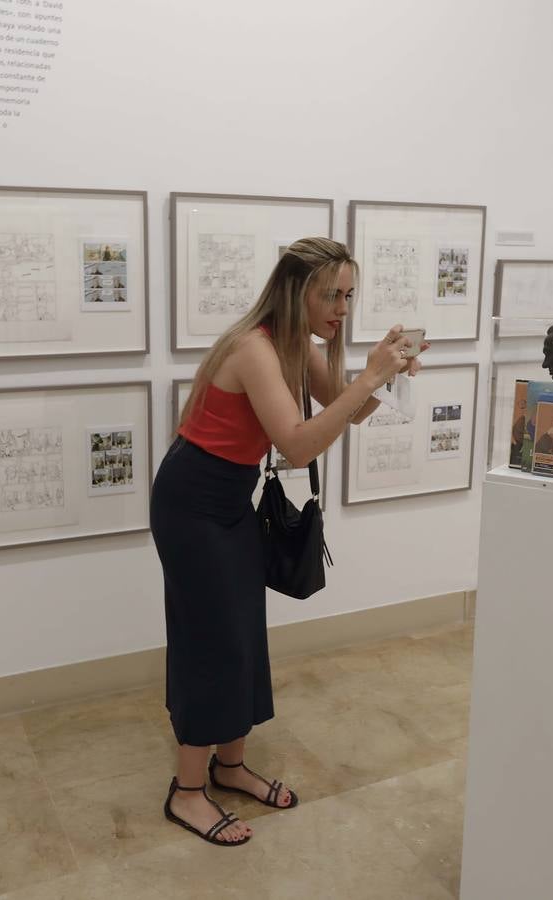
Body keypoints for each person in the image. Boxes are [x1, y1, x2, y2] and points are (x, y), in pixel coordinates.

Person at [151, 236, 428, 846]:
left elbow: (348, 411)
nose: (343, 308)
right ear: (296, 290)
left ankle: (229, 766)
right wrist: (371, 376)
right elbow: (297, 445)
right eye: (331, 294)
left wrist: (388, 372)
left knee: (243, 629)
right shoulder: (254, 348)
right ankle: (188, 792)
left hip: (230, 499)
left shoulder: (294, 345)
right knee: (210, 638)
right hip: (193, 502)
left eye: (350, 295)